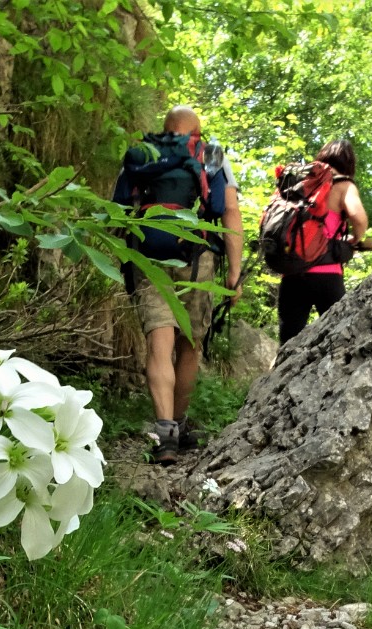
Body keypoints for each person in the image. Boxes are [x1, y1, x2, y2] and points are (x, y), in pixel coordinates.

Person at [121, 105, 243, 465]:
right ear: (196, 130)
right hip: (197, 257)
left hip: (148, 254)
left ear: (166, 127)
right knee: (190, 344)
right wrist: (233, 273)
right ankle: (180, 424)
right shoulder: (211, 153)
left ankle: (164, 435)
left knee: (158, 342)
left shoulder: (142, 151)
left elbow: (120, 210)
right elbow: (229, 212)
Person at [276, 139, 368, 345]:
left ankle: (279, 377)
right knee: (340, 340)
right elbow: (358, 218)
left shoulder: (302, 182)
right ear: (349, 164)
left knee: (287, 343)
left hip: (292, 272)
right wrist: (356, 239)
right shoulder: (343, 184)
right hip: (327, 274)